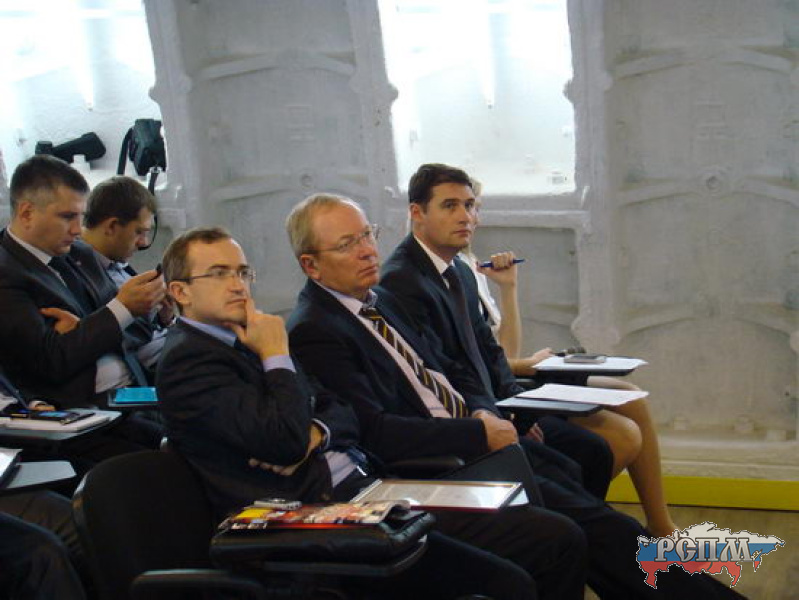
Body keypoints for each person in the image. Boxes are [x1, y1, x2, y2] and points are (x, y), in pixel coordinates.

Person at [285, 193, 746, 599]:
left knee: (602, 514)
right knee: (592, 532)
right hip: (438, 466)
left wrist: (486, 412)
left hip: (475, 438)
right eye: (346, 245)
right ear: (311, 265)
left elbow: (451, 368)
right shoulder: (315, 330)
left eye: (367, 234)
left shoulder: (377, 300)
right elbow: (375, 432)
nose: (367, 250)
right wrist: (478, 434)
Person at [156, 226, 539, 600]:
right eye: (219, 274)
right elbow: (285, 441)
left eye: (242, 272)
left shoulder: (243, 336)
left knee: (530, 530)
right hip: (305, 523)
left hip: (364, 487)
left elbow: (340, 410)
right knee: (507, 582)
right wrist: (276, 355)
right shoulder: (190, 361)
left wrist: (317, 431)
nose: (238, 285)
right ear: (180, 292)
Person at [380, 163, 613, 500]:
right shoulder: (401, 280)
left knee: (594, 451)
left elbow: (487, 349)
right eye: (450, 206)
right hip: (465, 422)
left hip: (495, 406)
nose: (466, 217)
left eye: (470, 205)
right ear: (417, 213)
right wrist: (496, 417)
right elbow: (443, 370)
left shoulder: (459, 270)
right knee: (572, 467)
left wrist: (518, 408)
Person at [467, 245, 676, 537]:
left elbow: (503, 354)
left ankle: (661, 526)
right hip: (498, 392)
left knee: (631, 395)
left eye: (473, 215)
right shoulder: (445, 274)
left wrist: (508, 288)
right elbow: (485, 364)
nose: (469, 221)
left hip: (510, 377)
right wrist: (527, 365)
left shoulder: (471, 265)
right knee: (623, 435)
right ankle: (583, 525)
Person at [0, 155, 165, 462]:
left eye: (81, 216)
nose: (78, 229)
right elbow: (52, 361)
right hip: (84, 416)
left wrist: (88, 327)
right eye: (67, 217)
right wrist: (119, 310)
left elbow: (137, 331)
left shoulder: (80, 254)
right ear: (27, 213)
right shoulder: (7, 274)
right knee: (175, 460)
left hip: (136, 392)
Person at [80, 175, 174, 382]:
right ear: (111, 226)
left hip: (167, 346)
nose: (144, 242)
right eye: (139, 232)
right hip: (154, 367)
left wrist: (163, 317)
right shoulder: (78, 271)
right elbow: (120, 335)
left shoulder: (113, 261)